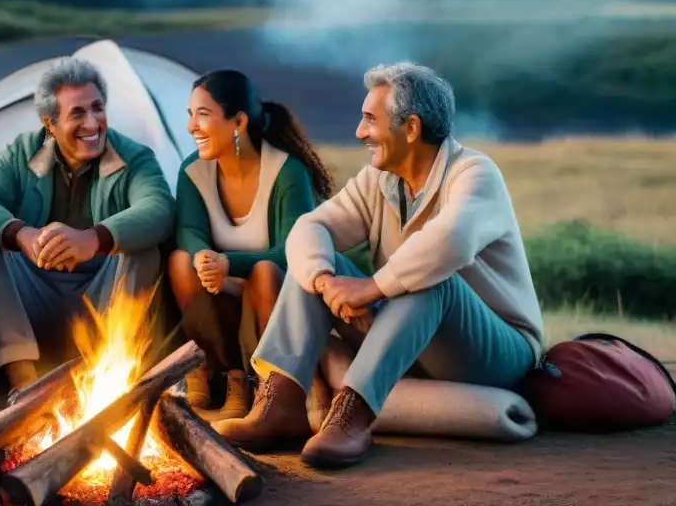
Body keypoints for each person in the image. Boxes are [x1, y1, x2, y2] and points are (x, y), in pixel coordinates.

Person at [214, 62, 545, 469]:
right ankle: (280, 403)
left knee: (432, 280)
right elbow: (311, 226)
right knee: (317, 259)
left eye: (370, 119)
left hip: (495, 352)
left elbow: (451, 241)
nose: (359, 132)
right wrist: (322, 278)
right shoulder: (378, 180)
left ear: (411, 128)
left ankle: (351, 417)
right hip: (410, 334)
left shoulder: (475, 173)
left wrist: (371, 288)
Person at [0, 57, 175, 390]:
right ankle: (22, 378)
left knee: (142, 250)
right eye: (77, 113)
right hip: (35, 293)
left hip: (100, 294)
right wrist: (23, 235)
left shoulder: (134, 156)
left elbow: (159, 208)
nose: (92, 123)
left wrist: (94, 238)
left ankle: (113, 372)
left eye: (98, 108)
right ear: (50, 124)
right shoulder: (22, 152)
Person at [171, 70, 334, 420]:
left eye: (203, 115)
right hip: (223, 296)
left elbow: (292, 252)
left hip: (278, 297)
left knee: (263, 271)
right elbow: (187, 227)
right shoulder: (193, 171)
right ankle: (226, 374)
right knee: (180, 262)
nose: (191, 127)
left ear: (238, 122)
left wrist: (229, 262)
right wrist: (203, 257)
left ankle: (275, 381)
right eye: (190, 116)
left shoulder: (287, 172)